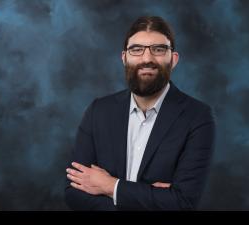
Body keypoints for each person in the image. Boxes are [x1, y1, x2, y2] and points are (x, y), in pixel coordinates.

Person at [64, 16, 215, 210]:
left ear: (173, 59)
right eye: (136, 49)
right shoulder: (99, 111)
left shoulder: (198, 117)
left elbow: (182, 203)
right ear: (124, 57)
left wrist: (111, 186)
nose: (147, 59)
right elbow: (74, 193)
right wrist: (152, 198)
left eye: (159, 49)